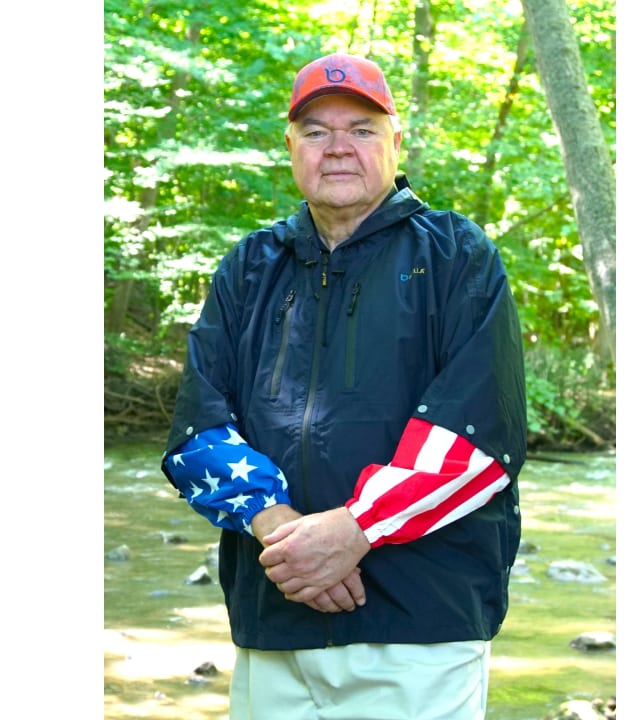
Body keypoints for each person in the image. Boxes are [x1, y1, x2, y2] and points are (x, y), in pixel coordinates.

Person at [161, 51, 527, 720]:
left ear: (395, 142)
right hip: (274, 624)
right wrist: (283, 532)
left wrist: (356, 529)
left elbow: (478, 437)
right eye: (316, 131)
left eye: (360, 129)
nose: (338, 148)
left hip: (422, 627)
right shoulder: (249, 266)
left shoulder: (458, 256)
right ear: (290, 145)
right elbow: (197, 430)